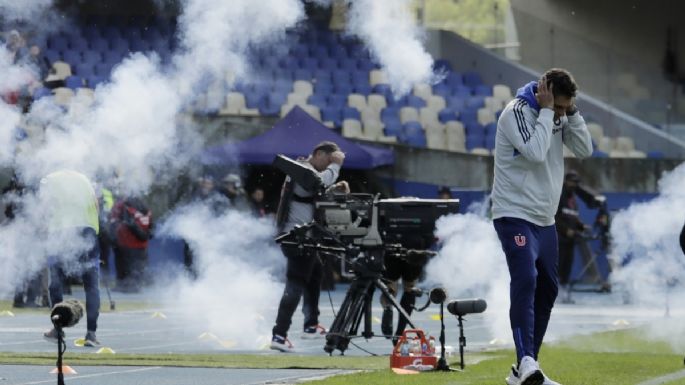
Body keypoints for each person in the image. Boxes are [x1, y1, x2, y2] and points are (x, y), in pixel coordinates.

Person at [491, 69, 592, 385]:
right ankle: (525, 361)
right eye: (559, 106)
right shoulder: (516, 112)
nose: (562, 113)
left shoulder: (560, 114)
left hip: (545, 221)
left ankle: (525, 367)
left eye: (566, 107)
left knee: (548, 289)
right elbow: (534, 153)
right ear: (543, 93)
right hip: (514, 213)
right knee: (526, 279)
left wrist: (569, 112)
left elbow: (585, 150)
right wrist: (548, 112)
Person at [270, 141, 348, 352]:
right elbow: (318, 184)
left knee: (314, 276)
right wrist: (336, 166)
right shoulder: (303, 169)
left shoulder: (305, 171)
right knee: (296, 283)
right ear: (319, 154)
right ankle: (279, 334)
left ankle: (311, 325)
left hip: (306, 237)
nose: (329, 165)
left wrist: (334, 187)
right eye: (328, 160)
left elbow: (314, 193)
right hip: (297, 238)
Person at [41, 170, 102, 347]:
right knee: (91, 285)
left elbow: (43, 208)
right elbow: (96, 205)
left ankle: (58, 329)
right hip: (87, 231)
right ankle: (91, 334)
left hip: (60, 231)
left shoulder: (49, 180)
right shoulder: (85, 179)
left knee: (56, 282)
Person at [555, 170, 588, 301]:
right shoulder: (558, 195)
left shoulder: (573, 199)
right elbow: (554, 217)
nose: (574, 185)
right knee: (557, 266)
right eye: (572, 182)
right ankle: (553, 293)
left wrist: (581, 226)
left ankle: (563, 294)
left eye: (576, 182)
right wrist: (565, 230)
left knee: (567, 268)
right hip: (559, 239)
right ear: (565, 181)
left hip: (570, 239)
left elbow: (573, 216)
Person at [110, 196, 152, 292]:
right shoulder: (148, 210)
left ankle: (130, 286)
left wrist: (142, 234)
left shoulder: (128, 209)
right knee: (137, 266)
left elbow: (129, 224)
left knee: (129, 266)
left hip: (129, 242)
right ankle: (133, 286)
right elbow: (151, 226)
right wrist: (145, 235)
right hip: (141, 244)